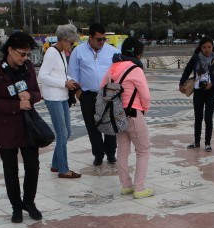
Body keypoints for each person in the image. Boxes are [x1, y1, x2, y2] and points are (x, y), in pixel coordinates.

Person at [0, 32, 43, 224]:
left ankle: (29, 202)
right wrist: (15, 106)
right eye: (22, 54)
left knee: (33, 167)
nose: (25, 58)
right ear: (10, 50)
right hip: (6, 127)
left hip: (28, 126)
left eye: (27, 54)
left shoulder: (28, 68)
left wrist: (30, 97)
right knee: (10, 170)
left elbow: (37, 93)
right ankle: (16, 207)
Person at [101, 37, 153, 199]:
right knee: (143, 150)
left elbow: (102, 88)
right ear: (138, 53)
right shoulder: (135, 69)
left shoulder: (112, 68)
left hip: (117, 115)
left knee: (122, 151)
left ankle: (126, 186)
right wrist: (144, 109)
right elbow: (145, 94)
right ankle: (139, 188)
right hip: (133, 113)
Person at [67, 23, 120, 166]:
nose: (102, 42)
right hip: (88, 95)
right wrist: (79, 93)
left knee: (109, 124)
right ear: (90, 37)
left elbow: (119, 72)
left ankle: (111, 153)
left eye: (104, 39)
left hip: (109, 93)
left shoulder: (112, 51)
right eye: (98, 39)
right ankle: (98, 154)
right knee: (92, 126)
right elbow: (72, 73)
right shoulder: (78, 51)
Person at [38, 24, 82, 179]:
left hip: (62, 97)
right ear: (63, 40)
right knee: (62, 134)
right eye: (71, 42)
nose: (72, 45)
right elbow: (42, 76)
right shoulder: (51, 52)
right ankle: (63, 169)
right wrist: (64, 83)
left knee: (67, 132)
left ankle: (56, 164)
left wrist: (72, 81)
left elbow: (61, 74)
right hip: (54, 98)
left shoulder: (61, 52)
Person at [178, 37, 214, 152]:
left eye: (209, 47)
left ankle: (207, 143)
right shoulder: (196, 58)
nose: (207, 50)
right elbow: (187, 70)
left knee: (208, 117)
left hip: (211, 92)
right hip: (198, 91)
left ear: (212, 47)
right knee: (198, 117)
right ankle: (196, 142)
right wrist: (181, 83)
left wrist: (212, 84)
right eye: (204, 47)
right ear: (200, 48)